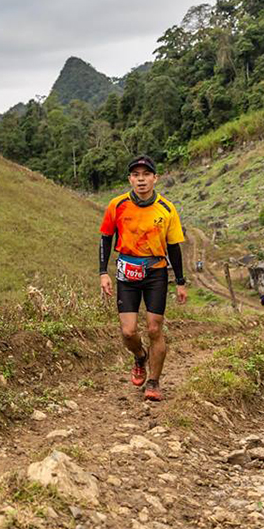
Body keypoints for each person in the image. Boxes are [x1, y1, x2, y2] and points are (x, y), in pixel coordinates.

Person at [99, 155, 187, 401]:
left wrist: (180, 282)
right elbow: (105, 238)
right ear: (130, 179)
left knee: (154, 328)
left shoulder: (167, 209)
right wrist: (103, 272)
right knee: (128, 332)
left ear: (155, 178)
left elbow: (174, 248)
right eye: (136, 175)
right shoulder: (117, 205)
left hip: (156, 272)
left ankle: (154, 382)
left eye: (146, 175)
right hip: (126, 273)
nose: (141, 180)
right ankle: (140, 357)